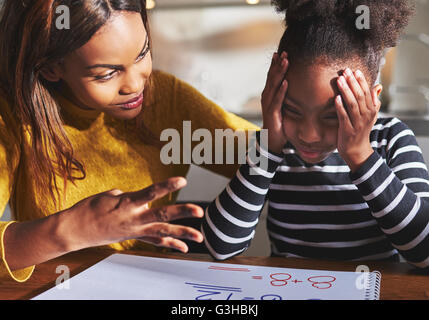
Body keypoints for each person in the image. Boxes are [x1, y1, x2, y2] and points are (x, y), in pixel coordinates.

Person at [0, 0, 258, 282]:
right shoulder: (11, 119)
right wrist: (72, 231)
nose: (135, 85)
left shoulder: (164, 98)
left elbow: (266, 156)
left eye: (142, 53)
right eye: (106, 73)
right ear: (51, 68)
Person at [202, 0, 429, 268]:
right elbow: (220, 246)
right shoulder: (273, 150)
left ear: (372, 100)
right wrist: (269, 149)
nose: (309, 135)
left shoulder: (391, 139)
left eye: (333, 116)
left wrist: (361, 156)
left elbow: (424, 251)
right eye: (293, 111)